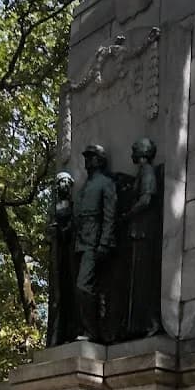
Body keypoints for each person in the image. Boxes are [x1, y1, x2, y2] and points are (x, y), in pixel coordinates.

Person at [73, 144, 117, 341]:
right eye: (86, 157)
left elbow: (109, 215)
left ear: (100, 161)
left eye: (91, 157)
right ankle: (87, 329)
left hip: (95, 240)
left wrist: (104, 242)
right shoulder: (85, 186)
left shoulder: (105, 183)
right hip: (81, 241)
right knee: (80, 286)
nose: (87, 161)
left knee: (83, 286)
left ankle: (91, 332)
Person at [122, 137, 162, 338]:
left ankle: (151, 322)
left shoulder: (147, 172)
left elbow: (146, 199)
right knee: (138, 279)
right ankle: (140, 324)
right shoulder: (141, 172)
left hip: (144, 230)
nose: (131, 152)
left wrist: (128, 214)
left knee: (144, 278)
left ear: (142, 152)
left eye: (134, 148)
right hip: (139, 230)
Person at [46, 171, 76, 346]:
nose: (62, 186)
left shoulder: (73, 205)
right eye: (60, 183)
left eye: (65, 182)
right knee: (57, 295)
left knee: (70, 291)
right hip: (58, 253)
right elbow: (48, 230)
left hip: (70, 252)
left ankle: (69, 332)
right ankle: (55, 336)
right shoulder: (53, 207)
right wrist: (55, 231)